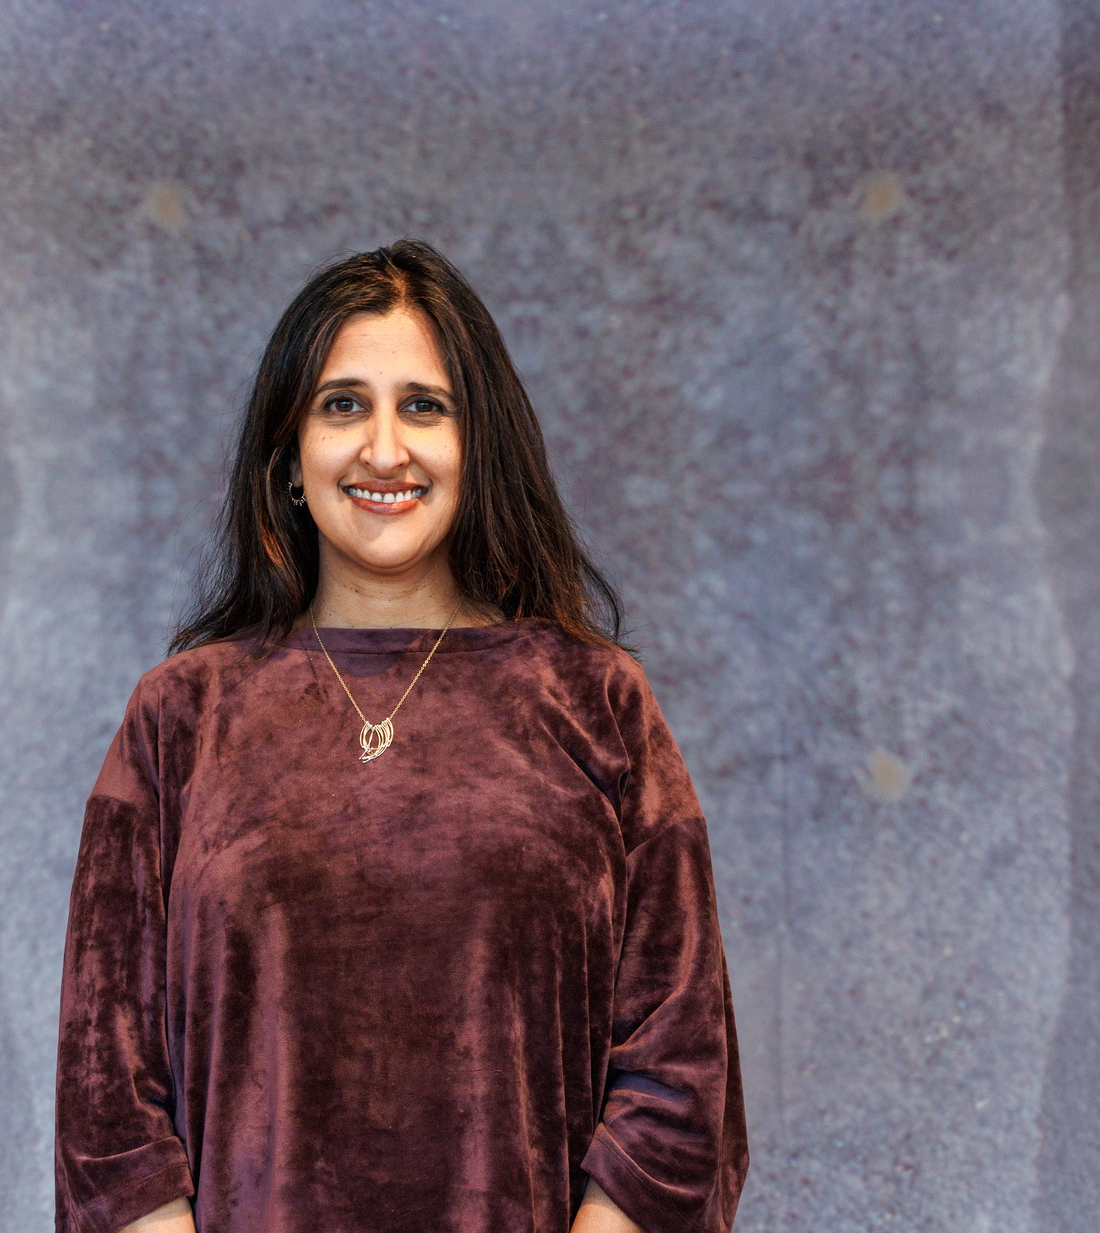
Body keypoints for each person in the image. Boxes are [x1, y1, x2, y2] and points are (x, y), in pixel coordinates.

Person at [54, 240, 748, 1233]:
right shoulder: (181, 717)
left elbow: (681, 1081)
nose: (386, 448)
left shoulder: (599, 704)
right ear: (289, 455)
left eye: (424, 405)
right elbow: (107, 1110)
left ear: (482, 443)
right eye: (344, 405)